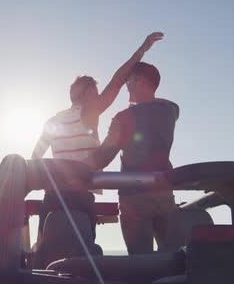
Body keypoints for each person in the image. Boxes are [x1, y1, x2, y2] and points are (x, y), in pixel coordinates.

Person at [32, 32, 164, 240]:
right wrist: (142, 49)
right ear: (85, 94)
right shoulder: (88, 112)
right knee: (83, 255)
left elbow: (35, 160)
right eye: (95, 91)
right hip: (79, 195)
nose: (99, 96)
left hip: (51, 196)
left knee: (45, 247)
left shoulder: (52, 121)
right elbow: (118, 80)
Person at [83, 60, 179, 254]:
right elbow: (166, 103)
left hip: (135, 199)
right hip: (165, 195)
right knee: (172, 259)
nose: (127, 86)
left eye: (130, 81)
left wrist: (74, 168)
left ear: (141, 81)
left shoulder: (124, 118)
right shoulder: (171, 111)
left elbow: (102, 158)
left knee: (141, 262)